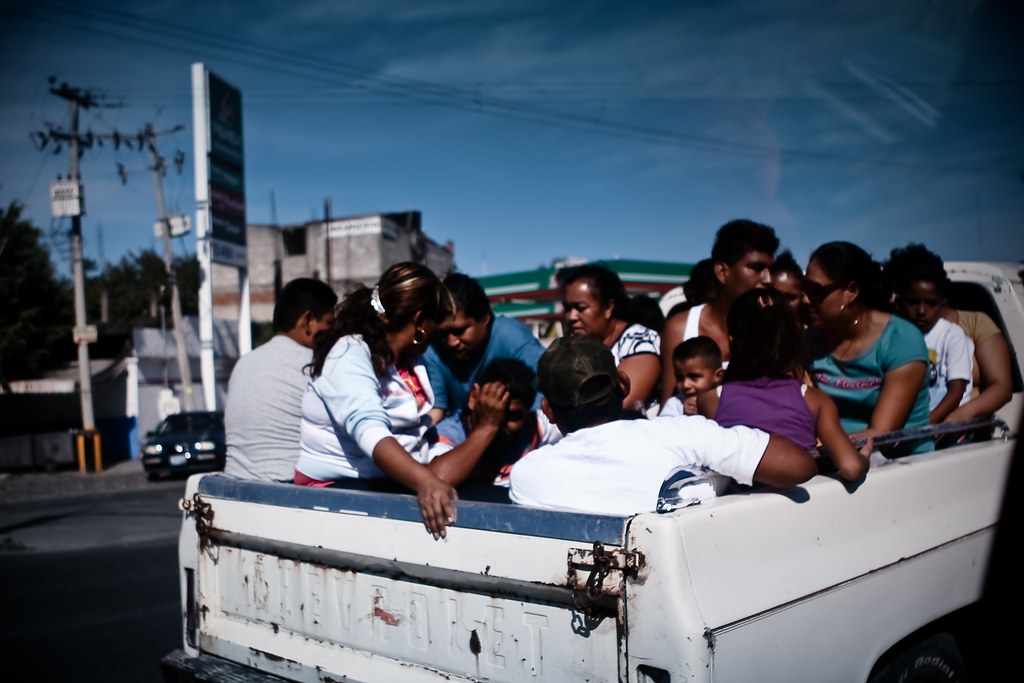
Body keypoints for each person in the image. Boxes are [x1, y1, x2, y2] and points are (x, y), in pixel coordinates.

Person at [295, 262, 508, 540]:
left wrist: (439, 472)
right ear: (419, 322)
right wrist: (426, 482)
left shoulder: (409, 363)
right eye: (436, 328)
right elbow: (371, 433)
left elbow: (416, 441)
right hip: (336, 486)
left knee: (493, 501)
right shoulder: (349, 354)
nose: (439, 340)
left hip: (388, 479)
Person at [508, 336, 817, 515]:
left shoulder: (527, 477)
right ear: (623, 384)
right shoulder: (685, 434)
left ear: (547, 409)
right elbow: (799, 466)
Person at [698, 288, 870, 482]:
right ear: (792, 340)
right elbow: (851, 467)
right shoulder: (816, 401)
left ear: (732, 340)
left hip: (737, 499)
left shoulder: (711, 399)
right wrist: (864, 457)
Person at [803, 242, 931, 456]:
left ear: (851, 291)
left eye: (816, 291)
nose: (806, 299)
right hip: (832, 458)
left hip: (901, 462)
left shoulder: (901, 340)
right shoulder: (810, 340)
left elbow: (883, 435)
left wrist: (821, 448)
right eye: (805, 288)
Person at [224, 278, 337, 482]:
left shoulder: (243, 363)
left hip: (236, 482)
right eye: (330, 324)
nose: (333, 335)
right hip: (289, 488)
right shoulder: (316, 365)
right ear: (308, 321)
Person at [659, 219, 779, 406]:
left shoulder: (774, 330)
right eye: (757, 268)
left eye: (771, 270)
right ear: (722, 272)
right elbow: (668, 408)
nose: (768, 279)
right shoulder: (681, 328)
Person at [423, 272, 545, 425]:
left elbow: (544, 395)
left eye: (459, 331)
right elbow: (436, 409)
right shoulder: (433, 349)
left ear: (484, 318)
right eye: (443, 333)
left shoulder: (511, 337)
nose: (451, 342)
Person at [433, 358, 561, 501]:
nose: (499, 423)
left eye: (512, 416)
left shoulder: (532, 426)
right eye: (491, 410)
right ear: (473, 398)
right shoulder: (447, 435)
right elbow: (433, 482)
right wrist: (487, 426)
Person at [886, 244, 974, 424]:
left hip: (944, 423)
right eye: (913, 302)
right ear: (899, 303)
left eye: (931, 304)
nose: (921, 311)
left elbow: (957, 391)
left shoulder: (952, 335)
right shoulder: (894, 335)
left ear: (943, 305)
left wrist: (925, 425)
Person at [558, 263, 661, 415]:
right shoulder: (574, 347)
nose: (571, 317)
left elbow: (621, 406)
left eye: (580, 308)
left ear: (608, 307)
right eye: (567, 308)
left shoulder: (641, 342)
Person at [659, 336, 723, 417]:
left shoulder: (725, 397)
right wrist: (683, 413)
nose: (686, 385)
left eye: (694, 377)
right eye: (680, 378)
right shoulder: (675, 404)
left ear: (718, 376)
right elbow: (664, 423)